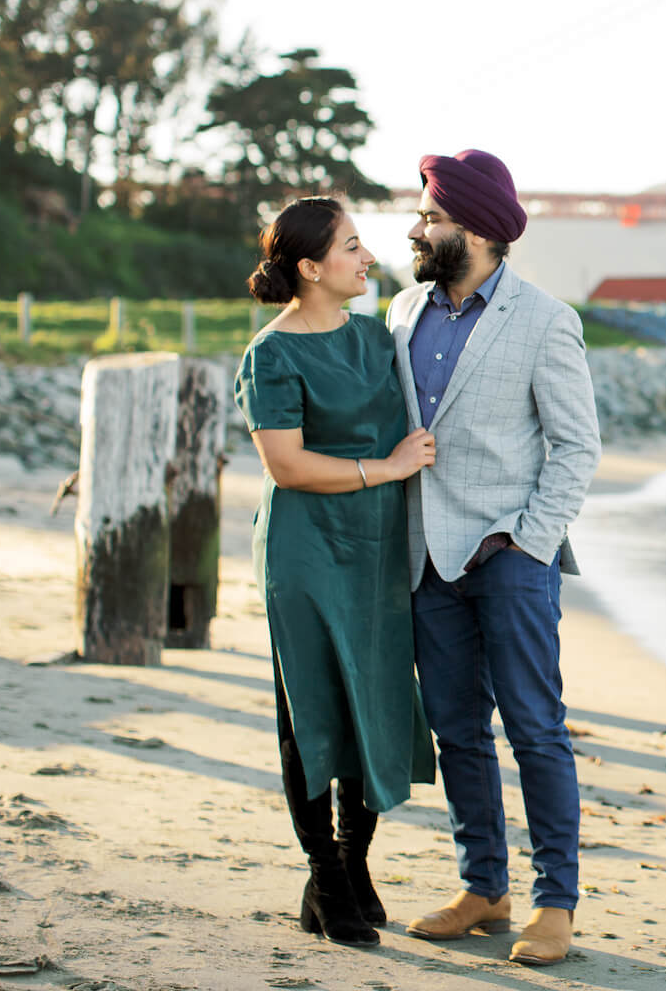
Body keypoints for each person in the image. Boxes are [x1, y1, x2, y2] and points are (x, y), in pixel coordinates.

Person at [388, 149, 601, 968]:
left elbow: (576, 446)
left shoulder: (547, 320)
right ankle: (484, 887)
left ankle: (555, 904)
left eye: (431, 217)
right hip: (426, 556)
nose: (417, 228)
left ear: (474, 230)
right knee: (457, 732)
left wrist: (529, 541)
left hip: (510, 552)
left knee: (535, 729)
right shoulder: (402, 313)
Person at [233, 196, 438, 949]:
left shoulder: (377, 339)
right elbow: (285, 465)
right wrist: (385, 467)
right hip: (307, 551)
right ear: (312, 267)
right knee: (315, 710)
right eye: (352, 246)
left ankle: (354, 864)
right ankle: (325, 874)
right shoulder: (272, 354)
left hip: (377, 547)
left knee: (377, 698)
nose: (365, 257)